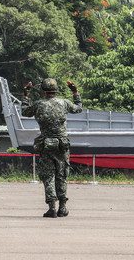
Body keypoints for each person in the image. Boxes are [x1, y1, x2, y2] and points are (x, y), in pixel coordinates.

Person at [21, 78, 82, 218]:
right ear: (56, 90)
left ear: (44, 91)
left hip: (46, 144)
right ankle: (62, 207)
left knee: (48, 177)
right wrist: (75, 92)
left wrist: (26, 95)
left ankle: (52, 208)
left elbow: (25, 111)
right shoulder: (64, 103)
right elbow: (78, 108)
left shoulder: (38, 105)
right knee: (62, 176)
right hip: (62, 145)